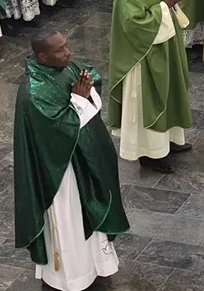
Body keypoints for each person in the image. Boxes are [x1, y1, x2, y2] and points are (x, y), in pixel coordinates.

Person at [14, 29, 129, 291]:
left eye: (66, 45)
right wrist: (78, 99)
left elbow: (91, 80)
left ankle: (96, 267)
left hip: (84, 162)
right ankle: (69, 278)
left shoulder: (68, 66)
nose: (68, 52)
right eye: (59, 50)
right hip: (59, 172)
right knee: (70, 222)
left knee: (90, 213)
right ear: (42, 56)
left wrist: (85, 93)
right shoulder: (32, 90)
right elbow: (53, 132)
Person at [107, 0, 193, 174]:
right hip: (142, 54)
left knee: (170, 93)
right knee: (149, 100)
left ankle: (170, 141)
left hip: (165, 45)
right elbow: (133, 24)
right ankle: (150, 154)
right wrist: (164, 6)